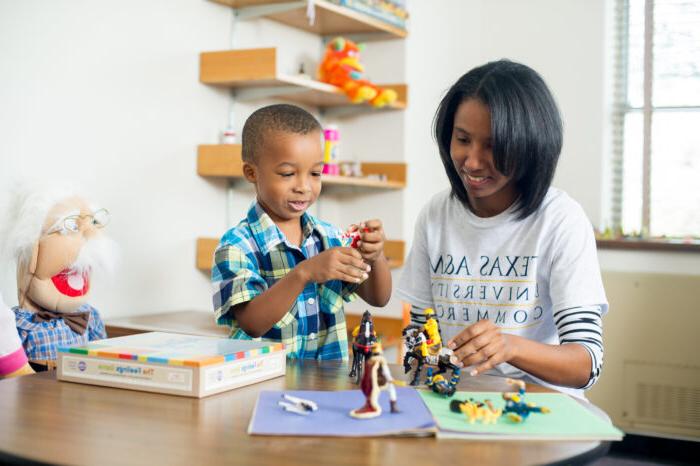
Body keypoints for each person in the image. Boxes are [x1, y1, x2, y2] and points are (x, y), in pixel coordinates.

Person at [396, 60, 608, 399]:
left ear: (531, 145)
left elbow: (586, 365)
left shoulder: (560, 219)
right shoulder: (436, 214)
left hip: (540, 407)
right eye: (462, 139)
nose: (473, 161)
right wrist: (423, 364)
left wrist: (510, 347)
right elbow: (418, 332)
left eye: (493, 145)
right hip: (455, 403)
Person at [212, 104, 392, 360]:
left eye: (315, 173)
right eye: (288, 174)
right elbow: (252, 323)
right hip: (264, 385)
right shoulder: (237, 246)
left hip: (327, 385)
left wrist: (375, 256)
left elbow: (379, 297)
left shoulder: (330, 237)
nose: (304, 187)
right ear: (251, 173)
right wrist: (304, 273)